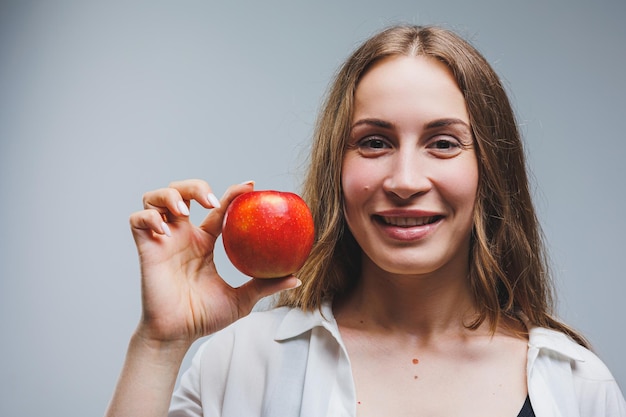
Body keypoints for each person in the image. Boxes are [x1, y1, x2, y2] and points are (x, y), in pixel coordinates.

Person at [105, 25, 626, 417]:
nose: (403, 179)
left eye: (443, 143)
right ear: (338, 168)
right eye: (374, 142)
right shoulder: (242, 361)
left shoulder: (578, 386)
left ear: (490, 169)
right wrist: (160, 343)